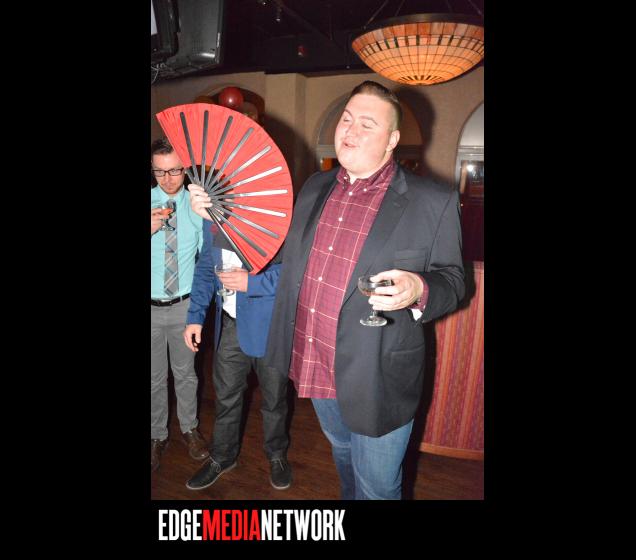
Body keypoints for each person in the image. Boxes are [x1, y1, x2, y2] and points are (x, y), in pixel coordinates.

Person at [264, 81, 465, 500]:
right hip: (316, 358)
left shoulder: (433, 199)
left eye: (367, 124)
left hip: (378, 374)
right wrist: (220, 212)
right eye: (346, 119)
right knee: (341, 450)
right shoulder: (314, 186)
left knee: (378, 486)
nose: (350, 131)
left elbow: (454, 281)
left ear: (392, 140)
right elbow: (283, 252)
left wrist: (419, 287)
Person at [181, 211, 292, 491]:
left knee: (274, 399)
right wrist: (195, 317)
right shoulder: (211, 214)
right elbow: (206, 267)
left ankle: (276, 454)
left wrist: (251, 283)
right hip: (230, 324)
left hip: (269, 327)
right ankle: (223, 457)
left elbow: (295, 271)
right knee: (226, 398)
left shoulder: (276, 211)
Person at [151, 137, 209, 472]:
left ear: (185, 169)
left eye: (174, 170)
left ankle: (189, 429)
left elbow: (207, 259)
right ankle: (157, 435)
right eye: (159, 172)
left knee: (186, 374)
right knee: (154, 378)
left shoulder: (197, 203)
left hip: (184, 306)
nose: (168, 179)